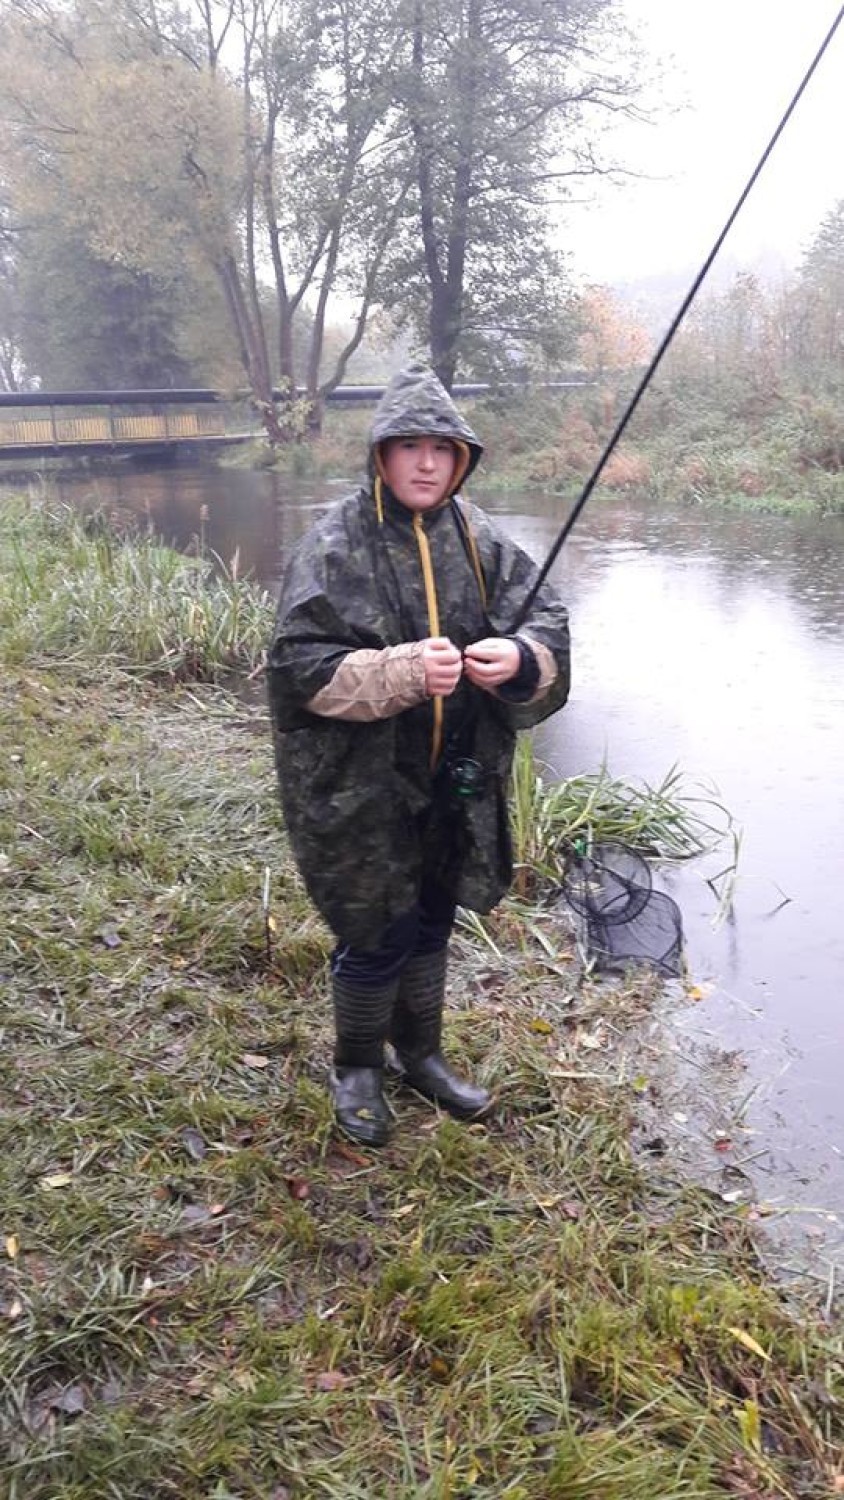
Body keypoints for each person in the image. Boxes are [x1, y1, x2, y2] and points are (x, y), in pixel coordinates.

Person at [268, 366, 570, 1147]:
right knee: (375, 929)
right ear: (381, 454)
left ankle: (422, 1055)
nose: (427, 463)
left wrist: (522, 655)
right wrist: (402, 672)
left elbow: (549, 623)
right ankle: (358, 1066)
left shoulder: (483, 540)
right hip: (360, 786)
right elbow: (298, 669)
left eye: (443, 447)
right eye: (410, 446)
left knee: (433, 916)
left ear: (462, 458)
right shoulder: (334, 543)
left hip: (455, 778)